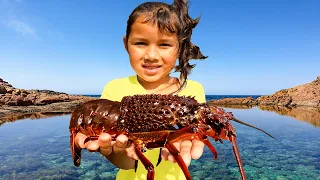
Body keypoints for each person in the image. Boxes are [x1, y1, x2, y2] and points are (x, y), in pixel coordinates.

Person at [75, 0, 208, 179]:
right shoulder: (115, 89)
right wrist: (113, 151)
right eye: (140, 43)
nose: (151, 56)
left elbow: (197, 131)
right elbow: (124, 160)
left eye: (164, 44)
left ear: (180, 48)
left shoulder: (193, 90)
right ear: (126, 44)